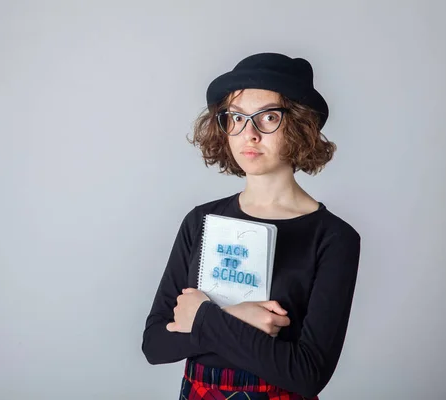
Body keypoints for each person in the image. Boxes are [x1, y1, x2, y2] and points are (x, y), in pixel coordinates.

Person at [141, 53, 361, 400]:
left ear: (301, 127)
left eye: (269, 117)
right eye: (237, 118)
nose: (250, 134)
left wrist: (203, 319)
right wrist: (236, 315)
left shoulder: (334, 238)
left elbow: (307, 374)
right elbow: (155, 345)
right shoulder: (200, 221)